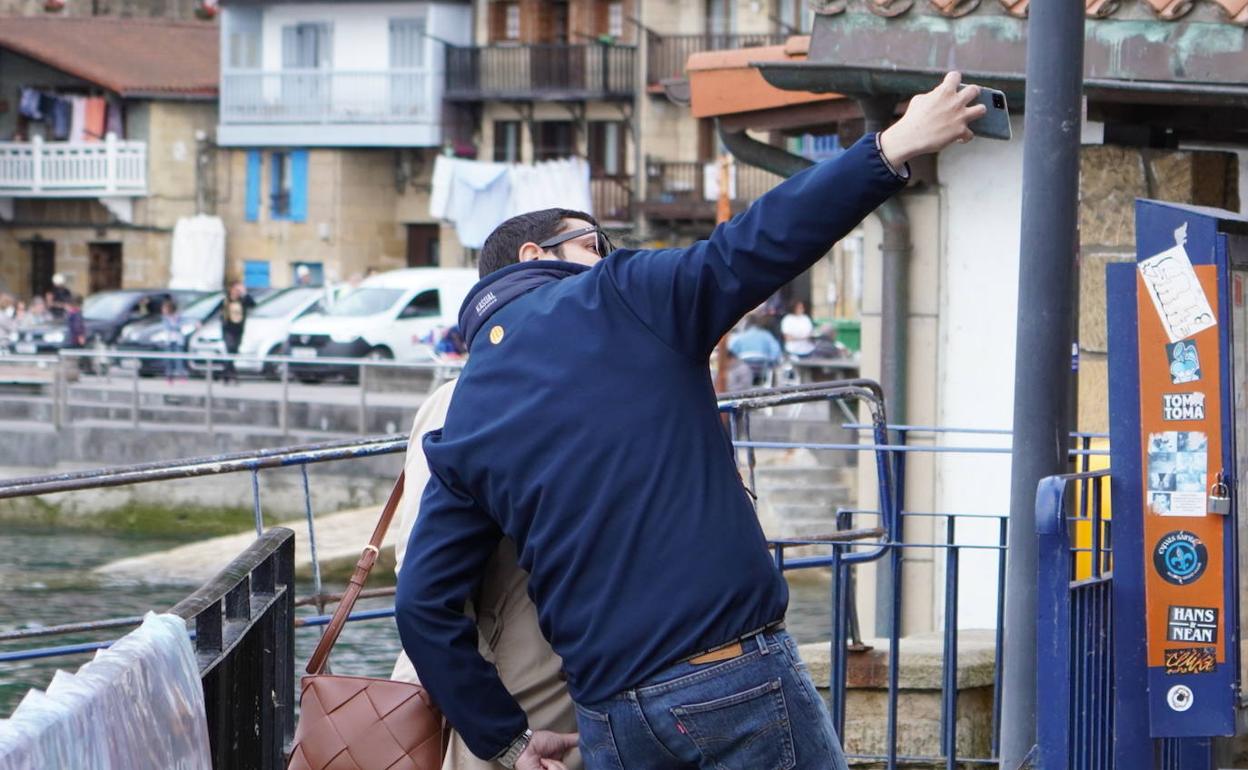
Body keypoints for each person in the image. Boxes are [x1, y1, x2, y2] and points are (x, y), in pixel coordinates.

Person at [396, 72, 983, 770]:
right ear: (536, 256)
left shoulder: (467, 410)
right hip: (728, 671)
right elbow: (757, 243)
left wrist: (506, 738)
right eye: (594, 242)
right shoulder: (620, 296)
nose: (608, 254)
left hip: (609, 711)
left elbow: (421, 606)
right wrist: (891, 147)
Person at [391, 381, 581, 770]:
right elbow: (420, 574)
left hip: (510, 684)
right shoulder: (468, 397)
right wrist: (493, 720)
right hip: (496, 687)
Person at [729, 313, 783, 384]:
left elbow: (731, 353)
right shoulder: (766, 335)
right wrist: (770, 360)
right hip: (762, 373)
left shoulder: (739, 337)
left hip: (743, 374)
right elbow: (776, 352)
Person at [220, 280, 254, 385]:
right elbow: (214, 310)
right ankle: (233, 375)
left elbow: (253, 304)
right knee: (230, 349)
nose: (236, 292)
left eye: (238, 290)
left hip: (238, 330)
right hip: (228, 329)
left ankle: (226, 374)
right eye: (235, 289)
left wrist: (245, 293)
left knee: (234, 352)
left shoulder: (242, 300)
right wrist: (202, 322)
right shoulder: (226, 301)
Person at [159, 298, 188, 382]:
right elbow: (169, 327)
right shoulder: (165, 318)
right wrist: (175, 325)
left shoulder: (178, 317)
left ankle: (181, 375)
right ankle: (169, 375)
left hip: (178, 340)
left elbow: (181, 325)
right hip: (169, 340)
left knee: (179, 359)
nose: (163, 310)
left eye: (164, 308)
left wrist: (176, 322)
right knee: (168, 359)